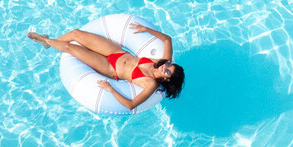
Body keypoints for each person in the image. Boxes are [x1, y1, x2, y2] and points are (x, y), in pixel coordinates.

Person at [27, 21, 184, 108]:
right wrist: (145, 29)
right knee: (76, 34)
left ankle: (45, 41)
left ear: (168, 80)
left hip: (110, 68)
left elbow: (131, 105)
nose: (165, 67)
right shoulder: (160, 62)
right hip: (117, 52)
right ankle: (48, 42)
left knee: (70, 48)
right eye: (169, 65)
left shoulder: (150, 84)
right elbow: (167, 39)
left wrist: (110, 89)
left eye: (167, 72)